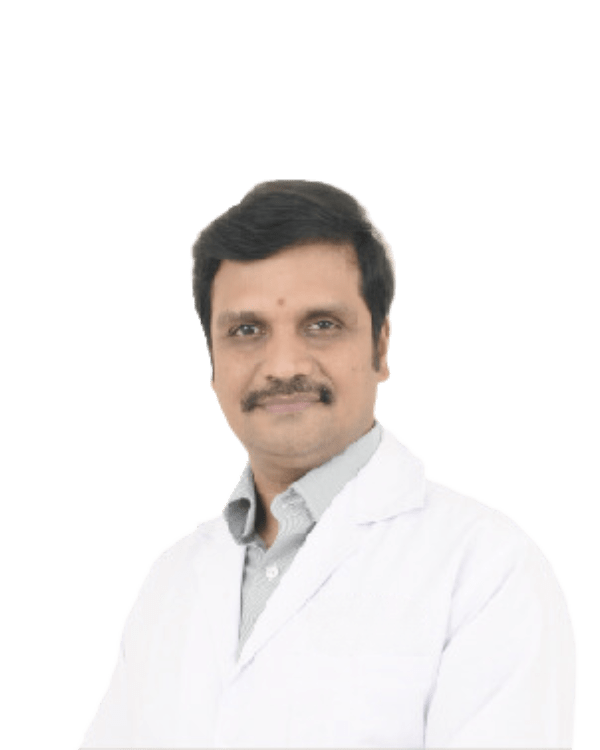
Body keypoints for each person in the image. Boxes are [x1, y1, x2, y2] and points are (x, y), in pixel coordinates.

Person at [77, 179, 578, 749]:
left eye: (322, 325)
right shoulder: (169, 580)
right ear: (212, 361)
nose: (283, 365)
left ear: (381, 346)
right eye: (246, 330)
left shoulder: (486, 569)